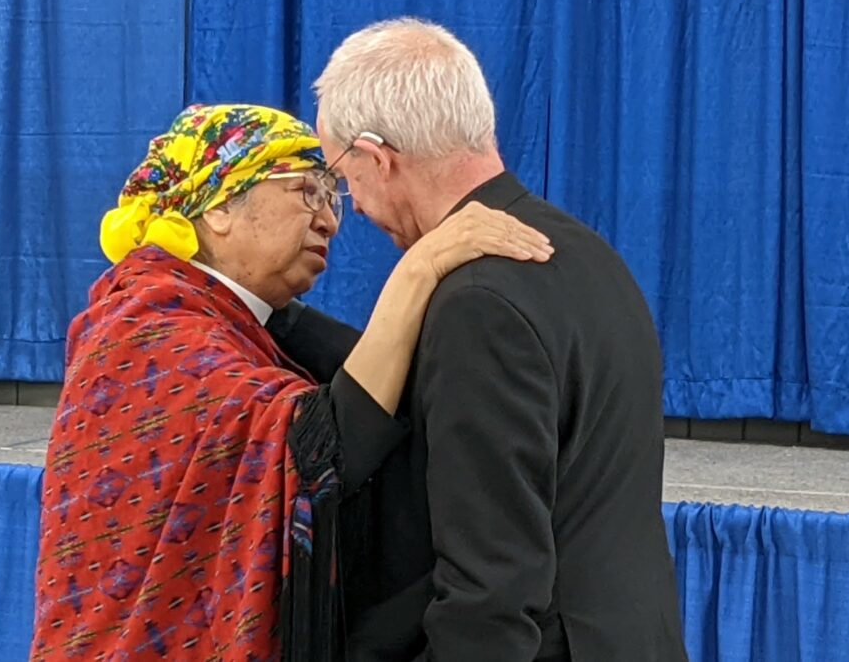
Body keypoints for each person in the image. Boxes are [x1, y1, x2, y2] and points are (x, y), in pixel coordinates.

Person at [29, 103, 552, 661]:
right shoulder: (150, 330)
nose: (328, 220)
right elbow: (321, 447)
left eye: (333, 198)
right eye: (307, 191)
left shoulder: (220, 319)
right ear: (222, 205)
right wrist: (420, 269)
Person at [267, 18, 688, 661]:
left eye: (342, 177)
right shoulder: (584, 255)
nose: (347, 204)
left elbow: (491, 594)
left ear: (379, 158)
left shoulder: (478, 306)